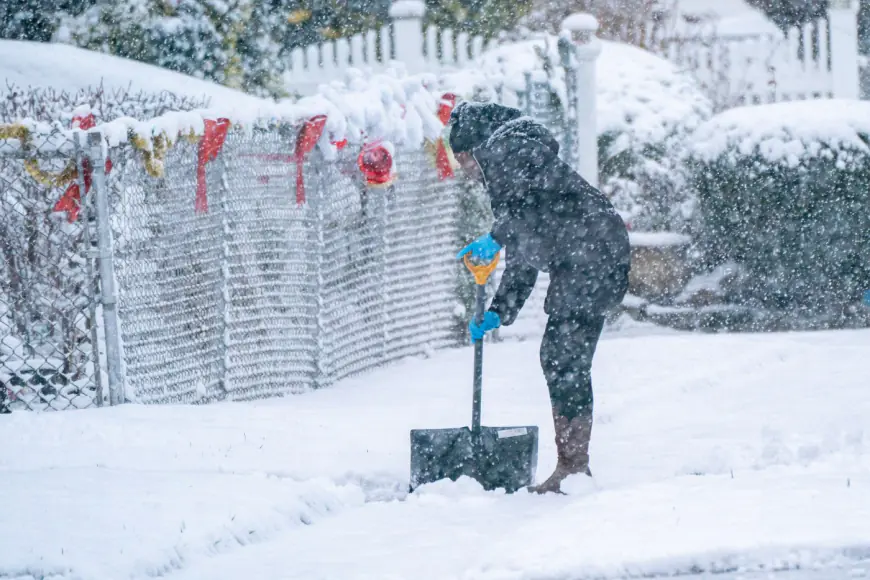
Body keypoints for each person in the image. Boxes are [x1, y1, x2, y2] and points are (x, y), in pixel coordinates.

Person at [449, 101, 631, 494]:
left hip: (590, 254)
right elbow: (525, 249)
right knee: (562, 357)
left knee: (564, 357)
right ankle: (572, 466)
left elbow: (532, 209)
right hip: (590, 254)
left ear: (474, 147)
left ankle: (573, 468)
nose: (464, 170)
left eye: (462, 157)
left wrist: (495, 237)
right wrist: (500, 310)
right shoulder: (510, 159)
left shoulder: (511, 151)